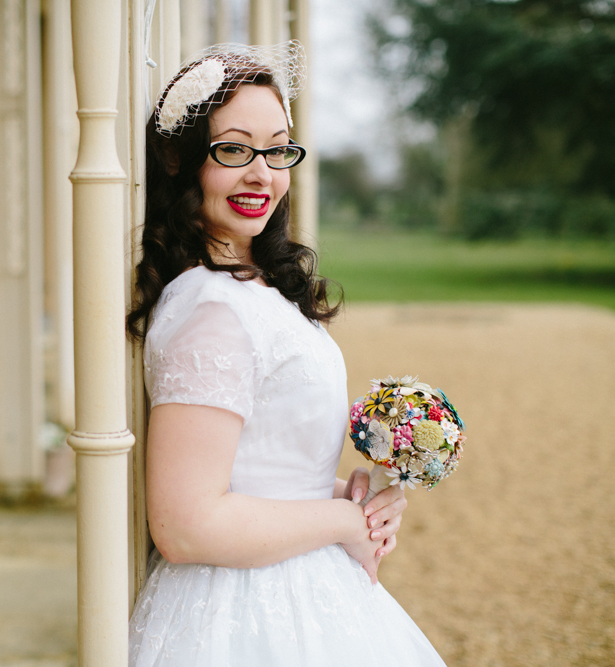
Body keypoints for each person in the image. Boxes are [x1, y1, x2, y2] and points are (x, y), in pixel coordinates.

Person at [126, 44, 445, 665]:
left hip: (297, 584)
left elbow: (254, 470)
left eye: (277, 150)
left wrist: (344, 499)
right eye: (233, 150)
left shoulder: (252, 287)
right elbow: (186, 523)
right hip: (236, 611)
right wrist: (341, 525)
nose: (262, 175)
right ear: (179, 160)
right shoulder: (211, 310)